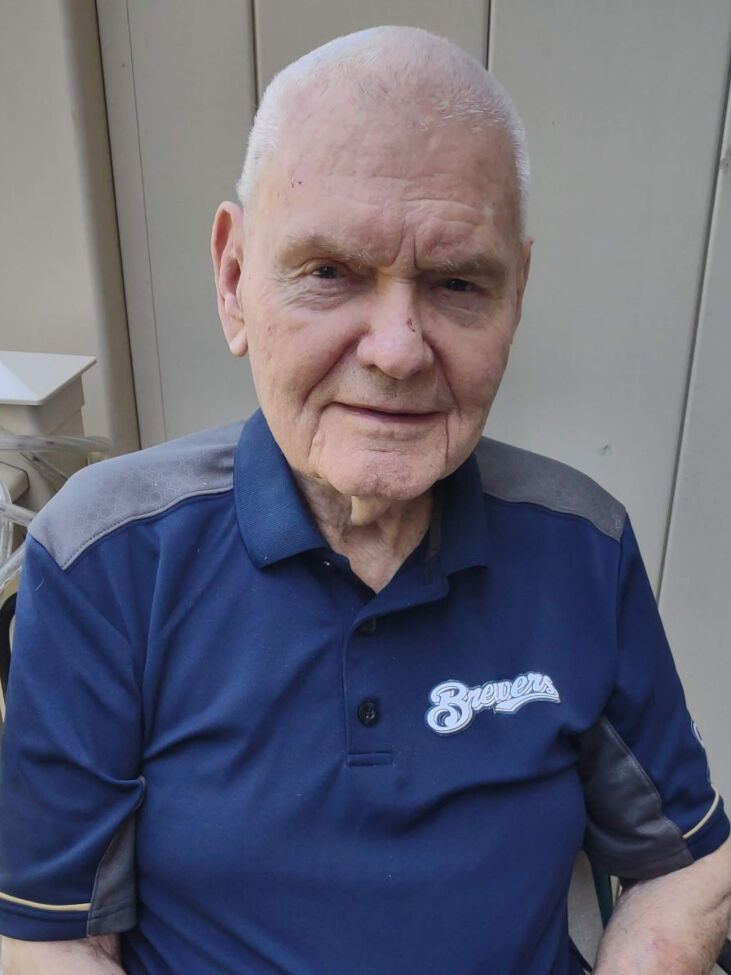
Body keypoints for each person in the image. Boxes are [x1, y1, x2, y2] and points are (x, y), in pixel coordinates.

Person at [1, 25, 730, 975]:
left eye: (456, 282)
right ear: (234, 280)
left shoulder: (580, 544)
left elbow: (684, 862)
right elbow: (50, 936)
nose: (396, 350)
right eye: (330, 272)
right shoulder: (106, 559)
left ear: (514, 295)